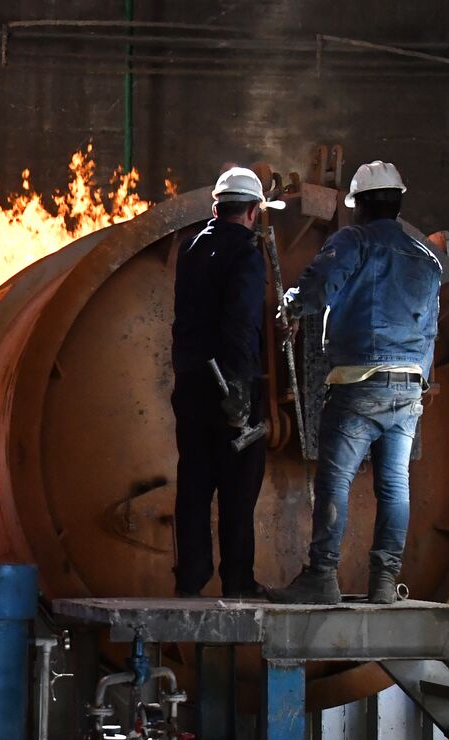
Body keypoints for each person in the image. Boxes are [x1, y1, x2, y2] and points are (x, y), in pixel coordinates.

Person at [269, 160, 442, 605]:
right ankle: (384, 582)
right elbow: (432, 329)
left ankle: (322, 576)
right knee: (394, 485)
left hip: (359, 381)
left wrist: (291, 307)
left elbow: (321, 283)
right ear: (398, 201)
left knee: (335, 480)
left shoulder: (355, 241)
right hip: (408, 386)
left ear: (360, 205)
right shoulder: (426, 258)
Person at [171, 166, 281, 598]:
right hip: (232, 385)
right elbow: (239, 322)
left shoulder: (190, 248)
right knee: (239, 489)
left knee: (194, 482)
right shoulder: (247, 256)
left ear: (216, 207)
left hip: (191, 383)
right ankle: (237, 581)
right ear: (254, 211)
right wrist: (238, 389)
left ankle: (190, 579)